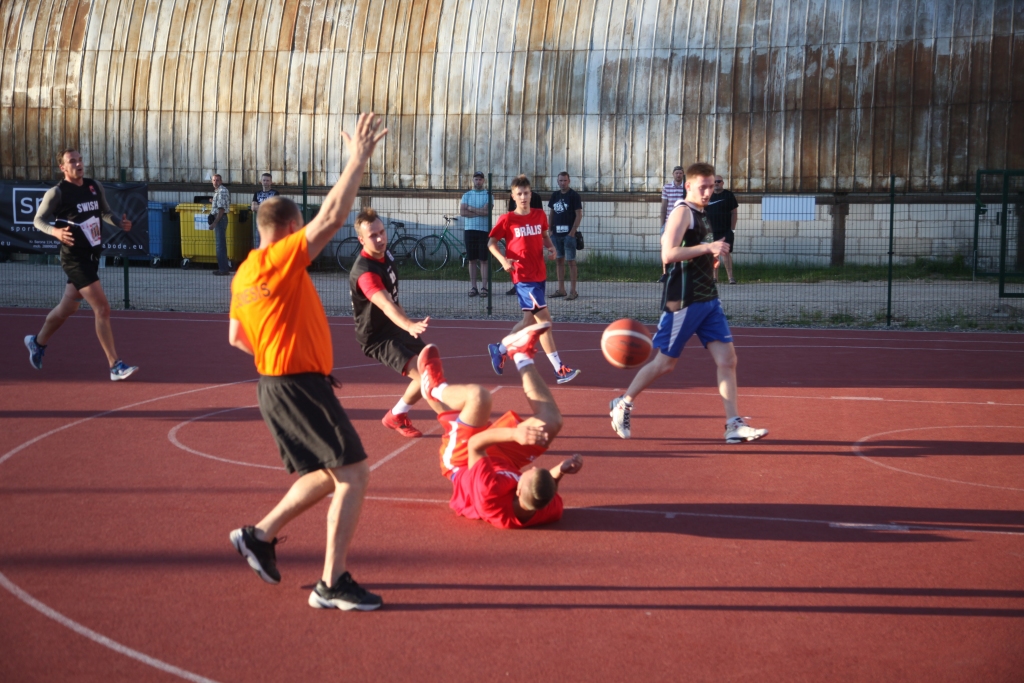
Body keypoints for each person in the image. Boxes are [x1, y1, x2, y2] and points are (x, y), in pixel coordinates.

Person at [227, 112, 387, 611]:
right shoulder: (279, 258)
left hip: (276, 383)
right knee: (356, 474)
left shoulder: (243, 275)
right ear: (290, 230)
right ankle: (331, 583)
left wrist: (281, 355)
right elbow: (332, 218)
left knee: (328, 474)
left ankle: (260, 535)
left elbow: (236, 338)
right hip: (295, 383)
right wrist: (357, 160)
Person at [609, 162, 767, 445]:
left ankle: (733, 423)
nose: (708, 191)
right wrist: (707, 247)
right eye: (702, 186)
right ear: (688, 186)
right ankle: (624, 403)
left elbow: (693, 252)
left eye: (712, 185)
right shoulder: (682, 211)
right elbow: (668, 253)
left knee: (727, 360)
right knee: (665, 364)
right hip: (683, 300)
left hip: (708, 298)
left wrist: (710, 257)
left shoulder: (702, 213)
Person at [417, 322, 583, 529]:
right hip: (501, 460)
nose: (530, 468)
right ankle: (521, 354)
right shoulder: (549, 509)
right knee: (552, 422)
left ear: (519, 491)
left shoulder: (489, 493)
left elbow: (476, 444)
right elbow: (541, 493)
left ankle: (435, 389)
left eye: (528, 473)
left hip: (464, 461)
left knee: (479, 398)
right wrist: (560, 471)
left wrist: (515, 435)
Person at [24, 148, 139, 381]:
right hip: (74, 258)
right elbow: (38, 220)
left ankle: (37, 342)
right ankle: (115, 365)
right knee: (102, 309)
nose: (78, 164)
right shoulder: (57, 193)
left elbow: (105, 213)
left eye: (80, 160)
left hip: (92, 255)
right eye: (71, 162)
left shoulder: (94, 186)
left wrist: (119, 223)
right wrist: (55, 231)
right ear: (62, 168)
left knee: (68, 308)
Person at [487, 175, 580, 385]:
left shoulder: (539, 215)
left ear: (531, 194)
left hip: (539, 275)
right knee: (545, 322)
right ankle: (559, 369)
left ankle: (499, 349)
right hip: (523, 277)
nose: (523, 197)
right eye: (519, 194)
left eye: (526, 193)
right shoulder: (507, 219)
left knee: (529, 321)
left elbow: (544, 235)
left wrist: (551, 247)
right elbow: (491, 243)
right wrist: (503, 260)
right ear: (513, 196)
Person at [349, 207, 431, 438]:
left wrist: (405, 323)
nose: (380, 238)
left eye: (382, 232)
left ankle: (396, 415)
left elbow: (393, 299)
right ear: (361, 240)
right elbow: (385, 304)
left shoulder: (387, 255)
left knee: (430, 368)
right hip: (377, 337)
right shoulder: (365, 272)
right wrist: (409, 325)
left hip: (393, 325)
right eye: (373, 235)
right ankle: (457, 427)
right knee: (428, 378)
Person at [548, 171, 583, 300]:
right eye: (560, 180)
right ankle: (561, 289)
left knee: (571, 261)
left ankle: (573, 291)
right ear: (557, 181)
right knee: (559, 261)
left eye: (565, 180)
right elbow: (551, 213)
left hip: (569, 235)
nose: (562, 183)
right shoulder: (555, 195)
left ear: (569, 181)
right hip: (556, 234)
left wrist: (572, 232)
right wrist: (550, 229)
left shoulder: (574, 195)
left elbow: (579, 214)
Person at [459, 171, 491, 296]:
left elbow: (486, 212)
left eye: (480, 179)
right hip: (470, 230)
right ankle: (473, 287)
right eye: (476, 179)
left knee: (484, 260)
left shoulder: (488, 194)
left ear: (483, 181)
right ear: (473, 180)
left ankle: (484, 287)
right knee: (471, 260)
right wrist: (479, 211)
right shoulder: (466, 195)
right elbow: (462, 212)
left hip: (483, 231)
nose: (478, 181)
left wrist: (471, 209)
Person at [705, 174, 738, 283]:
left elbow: (734, 213)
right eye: (715, 181)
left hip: (725, 230)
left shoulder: (728, 195)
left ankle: (731, 278)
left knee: (726, 253)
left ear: (723, 183)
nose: (717, 183)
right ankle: (714, 278)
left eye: (719, 181)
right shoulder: (708, 195)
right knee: (714, 254)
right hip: (711, 230)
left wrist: (732, 229)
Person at [658, 165, 687, 282]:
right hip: (669, 223)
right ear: (673, 174)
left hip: (682, 223)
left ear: (683, 174)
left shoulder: (686, 188)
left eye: (680, 173)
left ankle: (678, 274)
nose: (678, 175)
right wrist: (662, 224)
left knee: (681, 248)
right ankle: (665, 274)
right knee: (666, 248)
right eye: (677, 173)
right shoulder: (667, 187)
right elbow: (664, 206)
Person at [250, 172, 279, 249]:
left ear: (271, 182)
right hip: (259, 222)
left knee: (269, 244)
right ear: (261, 181)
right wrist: (267, 206)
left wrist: (259, 206)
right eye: (264, 180)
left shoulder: (275, 193)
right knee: (258, 244)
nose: (265, 182)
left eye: (267, 180)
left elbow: (273, 208)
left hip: (270, 223)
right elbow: (253, 207)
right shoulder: (257, 193)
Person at [210, 173, 232, 275]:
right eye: (214, 180)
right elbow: (220, 205)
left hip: (220, 219)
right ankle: (223, 268)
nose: (216, 182)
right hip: (219, 218)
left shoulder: (222, 191)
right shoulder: (217, 192)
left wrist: (214, 223)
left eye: (218, 180)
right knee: (220, 244)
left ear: (221, 181)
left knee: (220, 245)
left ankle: (223, 269)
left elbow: (221, 209)